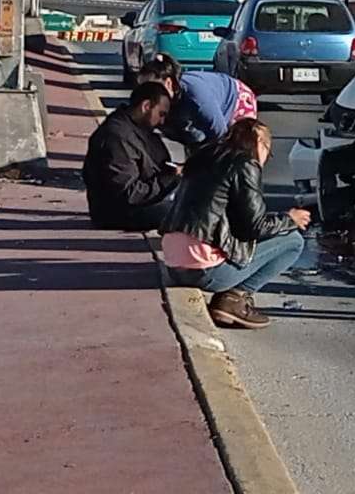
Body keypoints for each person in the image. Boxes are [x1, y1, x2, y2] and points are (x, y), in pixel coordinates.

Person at [161, 118, 312, 330]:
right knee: (293, 241)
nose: (266, 159)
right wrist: (290, 219)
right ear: (260, 142)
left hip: (173, 264)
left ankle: (229, 298)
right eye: (268, 151)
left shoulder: (205, 155)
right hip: (206, 271)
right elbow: (255, 227)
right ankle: (234, 298)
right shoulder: (246, 164)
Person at [82, 82, 180, 232]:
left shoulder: (139, 129)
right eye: (161, 114)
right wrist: (169, 178)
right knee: (189, 212)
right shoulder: (117, 137)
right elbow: (128, 193)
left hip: (141, 201)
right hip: (120, 213)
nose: (162, 121)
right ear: (146, 106)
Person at [136, 54, 258, 151]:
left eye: (152, 87)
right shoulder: (156, 101)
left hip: (235, 99)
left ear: (168, 83)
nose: (146, 93)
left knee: (233, 151)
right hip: (186, 111)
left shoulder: (197, 96)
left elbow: (219, 132)